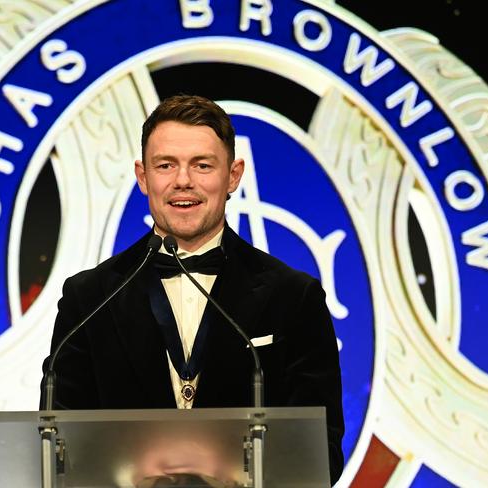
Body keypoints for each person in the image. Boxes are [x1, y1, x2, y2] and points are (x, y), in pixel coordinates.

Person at [41, 95, 344, 484]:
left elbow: (322, 452)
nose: (183, 180)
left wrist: (225, 470)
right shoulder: (90, 298)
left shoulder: (294, 297)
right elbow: (59, 448)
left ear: (233, 175)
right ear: (142, 176)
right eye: (166, 165)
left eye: (202, 165)